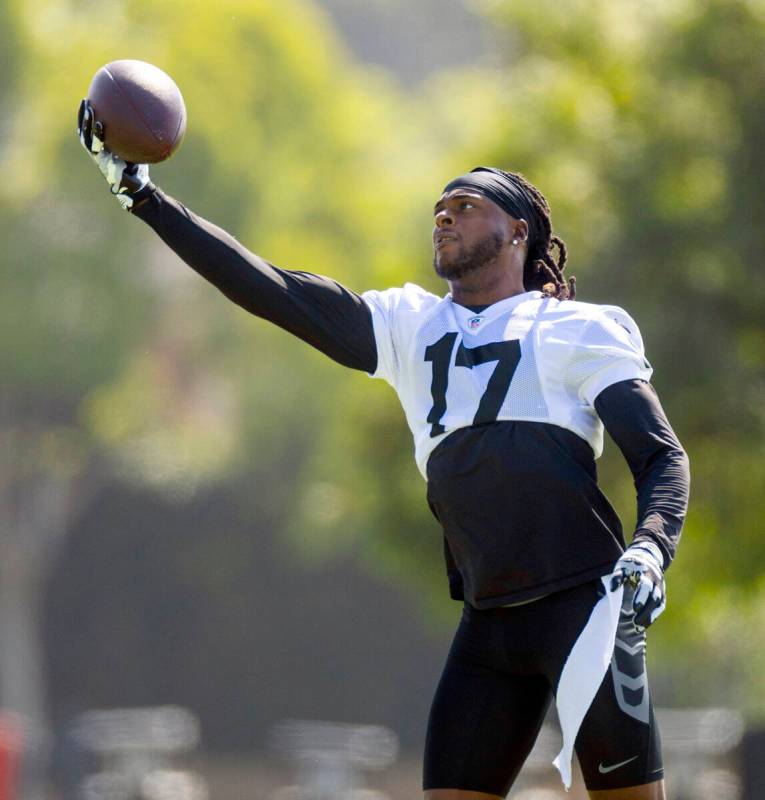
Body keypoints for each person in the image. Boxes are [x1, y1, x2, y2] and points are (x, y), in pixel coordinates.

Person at [77, 100, 690, 800]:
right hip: (488, 621)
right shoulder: (408, 324)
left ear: (517, 230)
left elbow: (660, 456)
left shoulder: (576, 329)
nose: (444, 216)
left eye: (464, 204)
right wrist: (143, 196)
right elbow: (266, 286)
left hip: (585, 607)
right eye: (438, 208)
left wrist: (648, 548)